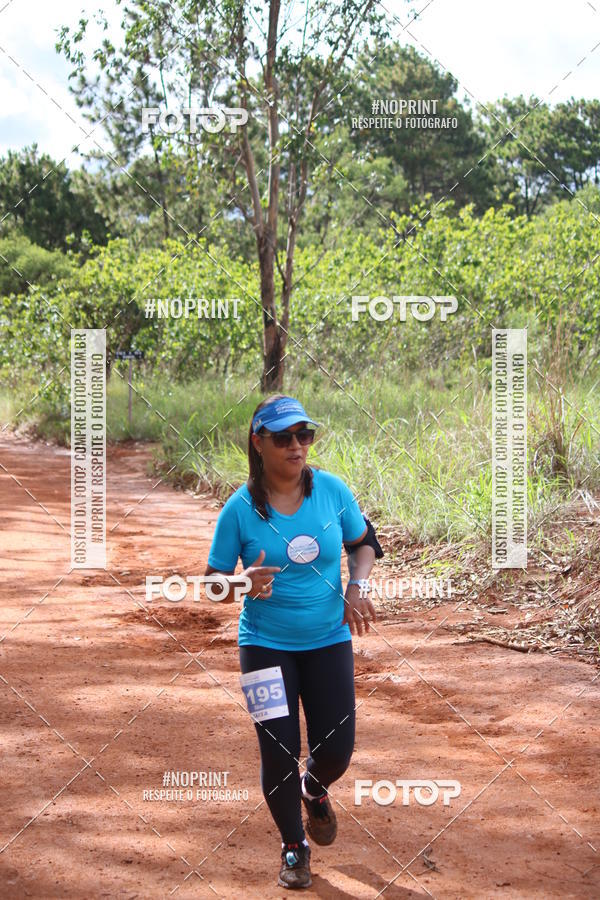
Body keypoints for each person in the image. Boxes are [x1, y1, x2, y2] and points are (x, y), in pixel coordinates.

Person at [204, 394, 384, 889]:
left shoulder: (331, 491)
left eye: (304, 435)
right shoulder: (239, 510)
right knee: (278, 750)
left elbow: (365, 543)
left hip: (328, 639)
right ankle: (293, 846)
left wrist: (356, 585)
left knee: (337, 750)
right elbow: (212, 583)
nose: (296, 446)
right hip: (264, 644)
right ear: (258, 443)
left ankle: (315, 787)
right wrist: (242, 584)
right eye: (283, 437)